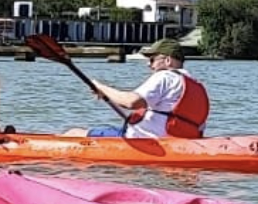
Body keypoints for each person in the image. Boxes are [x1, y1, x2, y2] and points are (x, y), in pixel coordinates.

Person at [65, 38, 210, 138]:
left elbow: (131, 102)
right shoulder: (197, 86)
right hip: (179, 142)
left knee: (73, 133)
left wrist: (100, 87)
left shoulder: (165, 76)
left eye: (152, 59)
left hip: (145, 142)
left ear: (167, 60)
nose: (149, 64)